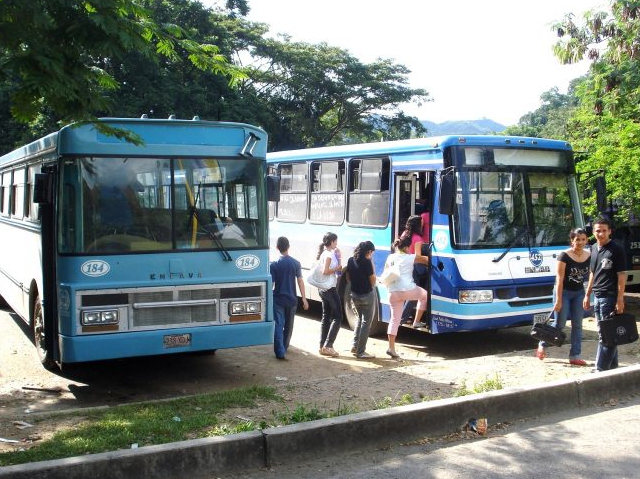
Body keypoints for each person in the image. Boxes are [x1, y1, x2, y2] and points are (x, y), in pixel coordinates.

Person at [536, 227, 590, 365]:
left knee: (578, 325)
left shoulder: (589, 255)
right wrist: (558, 300)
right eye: (577, 239)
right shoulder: (564, 255)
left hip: (579, 293)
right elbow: (559, 279)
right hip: (563, 292)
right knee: (560, 323)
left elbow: (590, 275)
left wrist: (587, 295)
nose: (580, 242)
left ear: (587, 240)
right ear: (572, 240)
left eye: (583, 239)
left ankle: (575, 356)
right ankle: (543, 344)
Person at [583, 217, 627, 372]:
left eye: (603, 230)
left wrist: (620, 299)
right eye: (597, 230)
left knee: (606, 335)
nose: (600, 233)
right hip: (598, 295)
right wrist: (587, 294)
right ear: (593, 232)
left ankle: (600, 369)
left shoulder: (616, 249)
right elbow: (592, 273)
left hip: (610, 296)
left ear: (609, 231)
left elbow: (622, 275)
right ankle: (612, 368)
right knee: (606, 333)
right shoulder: (594, 248)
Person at [382, 235, 429, 358]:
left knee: (394, 320)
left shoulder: (390, 257)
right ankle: (417, 321)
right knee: (424, 296)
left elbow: (386, 272)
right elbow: (427, 260)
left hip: (392, 292)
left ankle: (391, 348)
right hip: (408, 290)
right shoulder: (410, 257)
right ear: (407, 247)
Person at [270, 237, 309, 359]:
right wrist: (304, 298)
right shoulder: (296, 263)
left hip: (278, 299)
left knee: (278, 324)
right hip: (292, 299)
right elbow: (300, 281)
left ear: (277, 248)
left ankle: (279, 351)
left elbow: (271, 284)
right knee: (289, 325)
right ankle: (285, 347)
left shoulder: (274, 264)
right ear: (288, 247)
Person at [345, 241, 377, 359]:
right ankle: (360, 352)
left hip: (354, 294)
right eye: (371, 252)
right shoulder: (367, 262)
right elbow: (372, 280)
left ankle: (355, 345)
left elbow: (348, 277)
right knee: (366, 323)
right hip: (366, 295)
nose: (372, 255)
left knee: (359, 319)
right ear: (368, 252)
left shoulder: (350, 260)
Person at [316, 232, 343, 357]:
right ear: (331, 242)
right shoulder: (328, 255)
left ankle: (322, 345)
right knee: (338, 317)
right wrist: (337, 269)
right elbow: (325, 271)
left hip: (323, 289)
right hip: (329, 289)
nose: (336, 243)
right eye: (335, 241)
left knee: (326, 316)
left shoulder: (324, 253)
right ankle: (328, 345)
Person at [400, 215, 429, 323]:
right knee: (414, 294)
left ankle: (402, 318)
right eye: (421, 223)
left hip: (405, 267)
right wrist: (429, 259)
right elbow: (417, 257)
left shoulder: (404, 235)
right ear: (417, 225)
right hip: (414, 268)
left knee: (410, 293)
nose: (423, 225)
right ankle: (402, 318)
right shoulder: (417, 238)